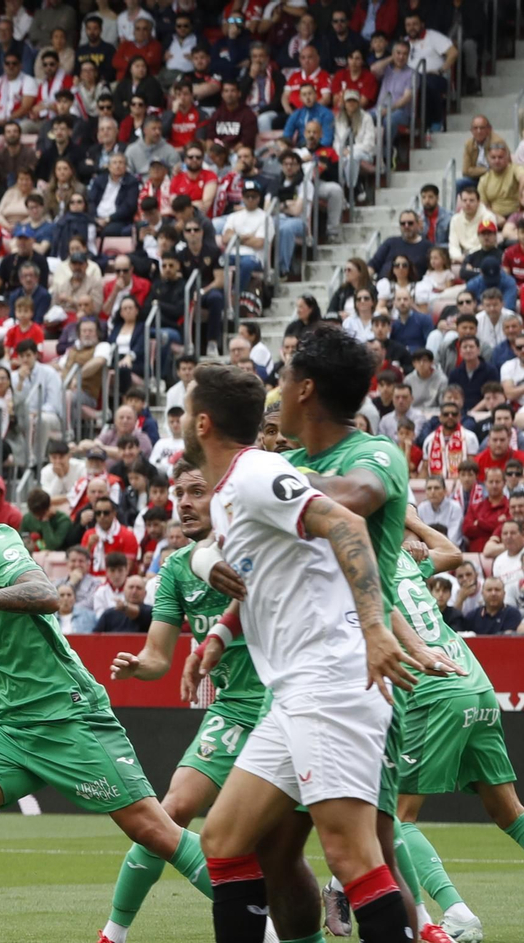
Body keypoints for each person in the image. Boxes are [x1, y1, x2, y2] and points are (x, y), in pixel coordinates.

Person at [0, 447, 213, 943]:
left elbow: (44, 595)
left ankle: (271, 913)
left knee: (155, 832)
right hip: (11, 729)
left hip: (68, 714)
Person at [180, 361, 417, 943]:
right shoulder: (237, 488)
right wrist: (221, 632)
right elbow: (260, 570)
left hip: (330, 679)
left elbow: (346, 524)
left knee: (353, 856)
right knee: (224, 839)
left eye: (186, 411)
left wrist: (375, 628)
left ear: (202, 423)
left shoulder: (259, 472)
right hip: (293, 692)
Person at [101, 458, 259, 943]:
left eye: (196, 492)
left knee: (345, 827)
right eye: (179, 494)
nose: (185, 503)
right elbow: (157, 657)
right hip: (233, 708)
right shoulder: (173, 569)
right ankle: (113, 933)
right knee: (169, 813)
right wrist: (138, 666)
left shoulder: (256, 544)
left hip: (289, 702)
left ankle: (419, 917)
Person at [396, 513, 524, 942]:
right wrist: (414, 522)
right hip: (478, 685)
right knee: (508, 811)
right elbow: (452, 552)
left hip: (437, 689)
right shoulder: (405, 560)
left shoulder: (361, 564)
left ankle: (457, 914)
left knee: (395, 818)